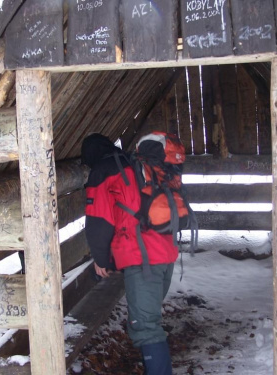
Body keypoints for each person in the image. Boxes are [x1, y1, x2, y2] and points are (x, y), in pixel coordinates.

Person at [81, 133, 178, 375]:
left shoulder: (103, 171)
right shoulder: (135, 163)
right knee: (149, 323)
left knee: (146, 328)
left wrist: (102, 260)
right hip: (165, 252)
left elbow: (99, 221)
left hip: (143, 258)